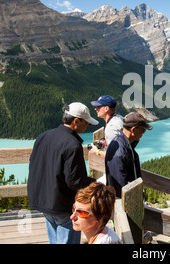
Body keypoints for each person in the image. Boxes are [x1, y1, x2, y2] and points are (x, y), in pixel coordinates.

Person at [27, 103, 99, 244]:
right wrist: (93, 183)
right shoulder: (73, 145)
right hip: (63, 204)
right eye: (86, 123)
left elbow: (34, 164)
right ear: (76, 121)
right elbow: (75, 181)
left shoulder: (43, 136)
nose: (87, 126)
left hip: (44, 201)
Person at [105, 112, 152, 197]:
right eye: (143, 130)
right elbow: (119, 186)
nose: (143, 133)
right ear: (133, 130)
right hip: (122, 203)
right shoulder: (120, 152)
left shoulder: (126, 144)